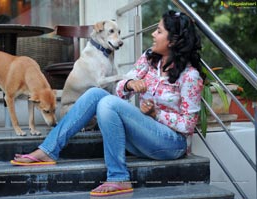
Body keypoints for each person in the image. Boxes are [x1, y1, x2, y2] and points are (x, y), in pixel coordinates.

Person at [11, 10, 204, 197]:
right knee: (96, 93)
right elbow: (120, 88)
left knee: (107, 103)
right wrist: (129, 84)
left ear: (174, 40)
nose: (153, 33)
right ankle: (48, 150)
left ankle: (119, 177)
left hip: (170, 144)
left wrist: (156, 114)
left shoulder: (190, 77)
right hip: (142, 137)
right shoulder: (149, 59)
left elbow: (188, 125)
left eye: (160, 31)